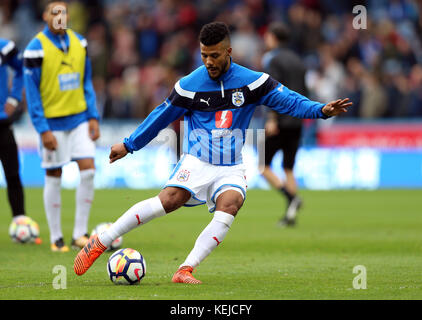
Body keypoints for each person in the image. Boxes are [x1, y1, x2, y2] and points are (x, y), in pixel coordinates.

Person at [74, 22, 351, 283]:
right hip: (197, 159)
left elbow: (288, 100)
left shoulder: (252, 82)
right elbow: (160, 116)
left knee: (231, 203)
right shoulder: (189, 85)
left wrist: (320, 110)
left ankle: (185, 269)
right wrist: (129, 144)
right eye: (204, 55)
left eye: (215, 55)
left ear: (228, 51)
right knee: (169, 200)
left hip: (231, 165)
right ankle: (101, 241)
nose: (209, 61)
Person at [23, 1, 100, 252]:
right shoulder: (35, 49)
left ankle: (80, 233)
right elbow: (32, 94)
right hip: (52, 123)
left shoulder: (81, 43)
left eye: (63, 13)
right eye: (54, 13)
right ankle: (56, 237)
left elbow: (86, 82)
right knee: (54, 174)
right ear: (45, 16)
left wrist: (93, 116)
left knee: (88, 170)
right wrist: (42, 129)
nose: (59, 17)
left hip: (79, 119)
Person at [260, 22, 307, 227]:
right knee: (288, 168)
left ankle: (290, 199)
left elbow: (273, 92)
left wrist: (271, 118)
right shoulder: (299, 61)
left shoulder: (274, 60)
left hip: (279, 120)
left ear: (273, 38)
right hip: (297, 120)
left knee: (263, 165)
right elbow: (304, 91)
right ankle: (290, 216)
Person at [0, 38, 26, 219]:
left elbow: (21, 69)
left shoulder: (5, 47)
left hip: (1, 123)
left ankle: (20, 220)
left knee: (13, 175)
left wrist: (14, 98)